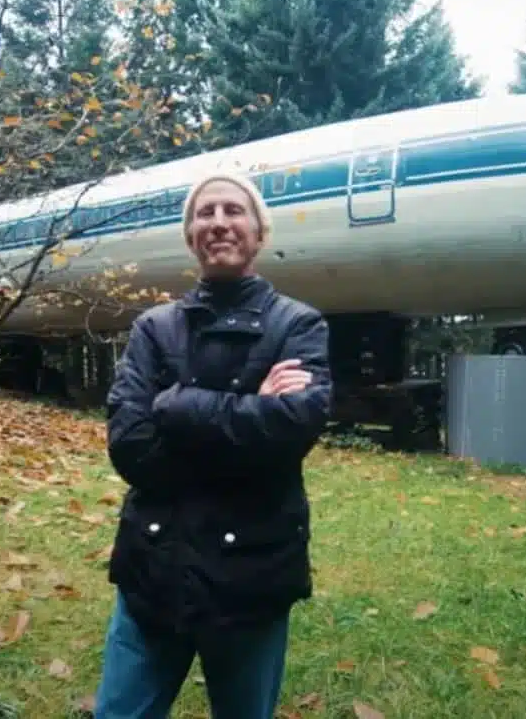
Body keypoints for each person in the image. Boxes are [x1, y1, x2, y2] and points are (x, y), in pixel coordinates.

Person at [93, 171, 333, 719]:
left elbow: (295, 429)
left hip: (253, 576)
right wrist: (253, 415)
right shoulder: (153, 330)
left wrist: (177, 407)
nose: (219, 223)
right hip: (152, 570)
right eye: (205, 213)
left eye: (233, 211)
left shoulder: (299, 326)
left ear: (259, 231)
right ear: (190, 234)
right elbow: (130, 447)